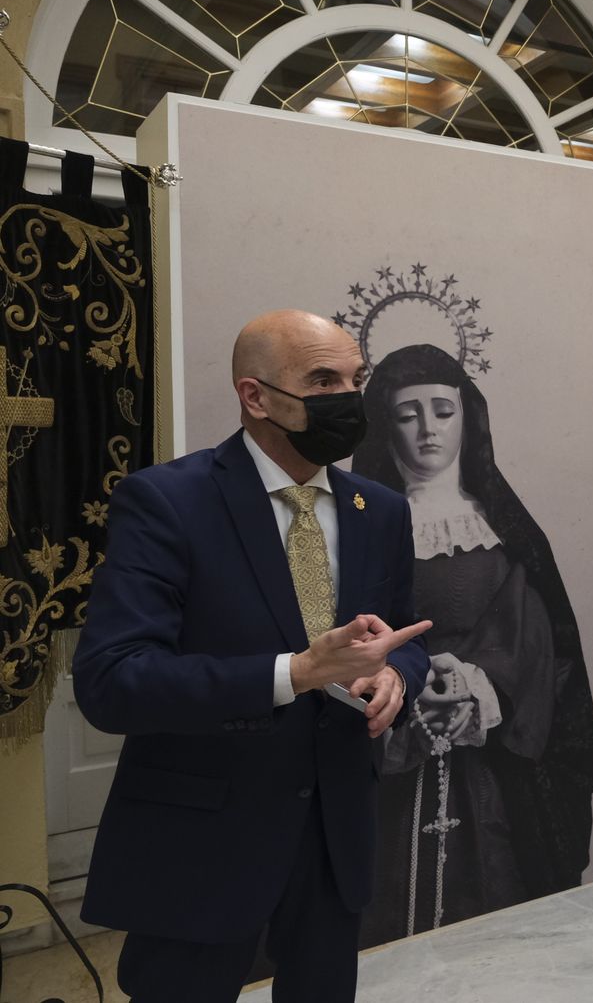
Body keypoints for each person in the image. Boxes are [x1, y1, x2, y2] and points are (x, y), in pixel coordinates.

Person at [72, 310, 433, 1003]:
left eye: (356, 379)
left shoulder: (380, 509)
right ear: (255, 396)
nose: (348, 399)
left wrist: (395, 675)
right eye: (322, 381)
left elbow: (403, 638)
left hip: (335, 835)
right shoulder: (167, 502)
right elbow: (113, 681)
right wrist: (295, 673)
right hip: (202, 838)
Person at [351, 343, 593, 945]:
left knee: (497, 903)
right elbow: (340, 625)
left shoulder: (500, 526)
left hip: (489, 749)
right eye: (408, 414)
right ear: (385, 424)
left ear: (468, 418)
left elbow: (534, 633)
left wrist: (477, 684)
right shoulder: (359, 524)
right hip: (391, 738)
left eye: (443, 410)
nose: (428, 428)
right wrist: (405, 687)